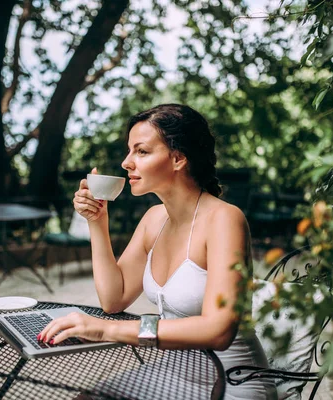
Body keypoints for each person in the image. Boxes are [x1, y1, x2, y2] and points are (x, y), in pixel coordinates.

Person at [38, 104, 277, 400]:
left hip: (234, 382)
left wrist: (106, 330)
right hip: (175, 373)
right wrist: (98, 223)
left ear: (177, 159)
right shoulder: (154, 219)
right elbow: (114, 298)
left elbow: (219, 330)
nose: (127, 163)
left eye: (141, 151)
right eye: (129, 151)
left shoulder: (224, 219)